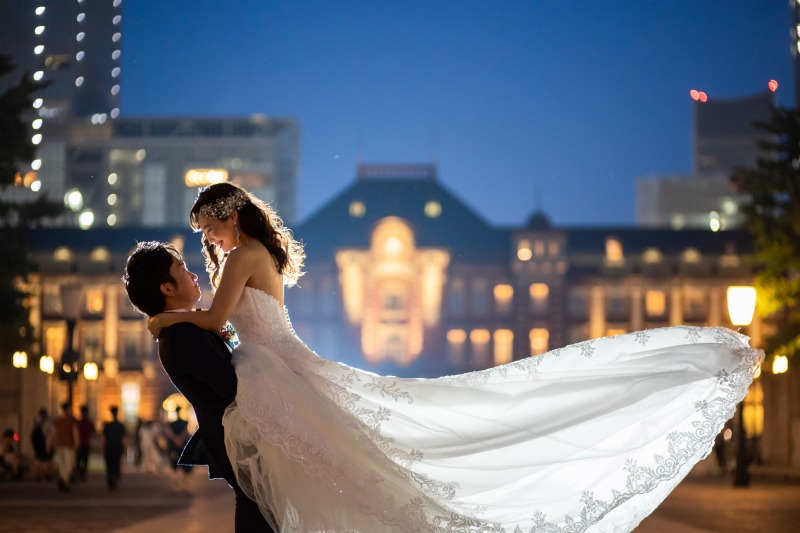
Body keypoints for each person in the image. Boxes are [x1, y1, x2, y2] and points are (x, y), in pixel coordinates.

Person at [147, 182, 764, 533]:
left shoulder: (238, 255)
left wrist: (165, 316)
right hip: (279, 366)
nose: (207, 242)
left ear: (229, 216)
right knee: (342, 459)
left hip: (271, 370)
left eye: (208, 229)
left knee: (335, 464)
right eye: (204, 237)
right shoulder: (254, 253)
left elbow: (215, 320)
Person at [122, 240, 274, 532]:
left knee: (262, 513)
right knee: (260, 514)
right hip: (239, 441)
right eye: (184, 270)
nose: (194, 276)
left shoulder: (183, 328)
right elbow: (232, 386)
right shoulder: (181, 336)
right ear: (167, 288)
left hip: (240, 438)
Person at [49, 402, 78, 492]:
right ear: (69, 409)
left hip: (59, 445)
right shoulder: (71, 420)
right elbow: (75, 432)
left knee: (61, 464)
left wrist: (49, 443)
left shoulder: (58, 420)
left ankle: (63, 479)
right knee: (69, 464)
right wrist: (77, 443)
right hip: (68, 445)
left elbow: (52, 433)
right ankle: (64, 480)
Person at [165, 405, 192, 491]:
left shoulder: (171, 423)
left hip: (174, 444)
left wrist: (175, 439)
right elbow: (186, 432)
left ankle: (176, 478)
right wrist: (180, 439)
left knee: (174, 461)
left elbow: (169, 433)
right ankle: (184, 480)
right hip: (182, 444)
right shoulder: (184, 422)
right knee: (184, 461)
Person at [101, 406, 126, 490]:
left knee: (109, 466)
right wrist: (125, 448)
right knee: (117, 464)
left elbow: (103, 439)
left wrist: (102, 449)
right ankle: (115, 478)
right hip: (117, 447)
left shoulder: (107, 426)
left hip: (109, 447)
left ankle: (110, 481)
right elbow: (124, 439)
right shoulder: (121, 425)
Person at [30, 408, 52, 481]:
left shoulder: (36, 423)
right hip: (43, 443)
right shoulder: (47, 424)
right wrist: (48, 445)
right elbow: (49, 435)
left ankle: (38, 474)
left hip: (37, 443)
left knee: (38, 459)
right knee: (46, 460)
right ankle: (46, 474)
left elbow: (32, 434)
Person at [75, 405, 95, 482]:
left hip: (80, 444)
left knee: (78, 460)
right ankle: (82, 474)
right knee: (84, 460)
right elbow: (93, 431)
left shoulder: (78, 422)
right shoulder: (89, 422)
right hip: (85, 444)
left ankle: (79, 473)